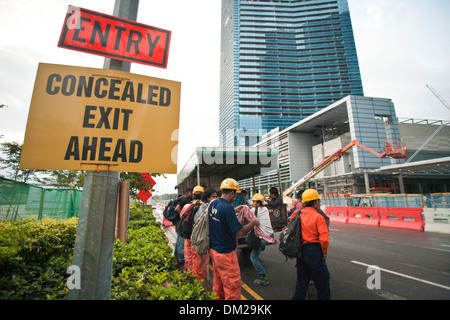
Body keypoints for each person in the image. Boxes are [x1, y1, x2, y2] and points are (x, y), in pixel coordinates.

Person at [208, 178, 260, 300]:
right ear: (232, 193)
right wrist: (253, 222)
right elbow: (240, 231)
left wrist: (235, 210)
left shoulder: (214, 204)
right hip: (226, 254)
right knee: (232, 287)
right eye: (235, 194)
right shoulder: (227, 208)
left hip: (214, 251)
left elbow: (222, 215)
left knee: (218, 283)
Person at [292, 189, 330, 300]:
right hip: (313, 250)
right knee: (323, 280)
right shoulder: (318, 217)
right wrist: (324, 252)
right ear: (315, 202)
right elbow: (324, 239)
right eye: (318, 201)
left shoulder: (297, 214)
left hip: (300, 250)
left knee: (302, 281)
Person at [191, 187, 217, 280]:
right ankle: (201, 284)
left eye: (216, 197)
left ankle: (196, 280)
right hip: (201, 239)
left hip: (195, 238)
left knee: (196, 262)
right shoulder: (205, 208)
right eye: (213, 197)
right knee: (201, 263)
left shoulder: (192, 205)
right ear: (207, 197)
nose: (215, 199)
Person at [249, 193, 274, 286]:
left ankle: (264, 277)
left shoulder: (253, 210)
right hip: (270, 235)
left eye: (254, 202)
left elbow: (248, 212)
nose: (253, 203)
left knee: (253, 257)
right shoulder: (265, 209)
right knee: (255, 253)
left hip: (262, 237)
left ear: (258, 203)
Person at [181, 186, 204, 273]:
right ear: (202, 195)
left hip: (187, 236)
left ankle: (189, 274)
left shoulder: (186, 206)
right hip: (197, 237)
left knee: (188, 256)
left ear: (193, 195)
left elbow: (181, 217)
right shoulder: (203, 207)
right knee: (198, 259)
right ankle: (197, 279)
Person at [173, 188, 193, 270]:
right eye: (191, 193)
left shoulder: (183, 198)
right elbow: (177, 208)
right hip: (181, 224)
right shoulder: (184, 199)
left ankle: (177, 259)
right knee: (181, 243)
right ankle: (181, 262)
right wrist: (184, 216)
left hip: (179, 224)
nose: (192, 194)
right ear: (187, 192)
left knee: (179, 242)